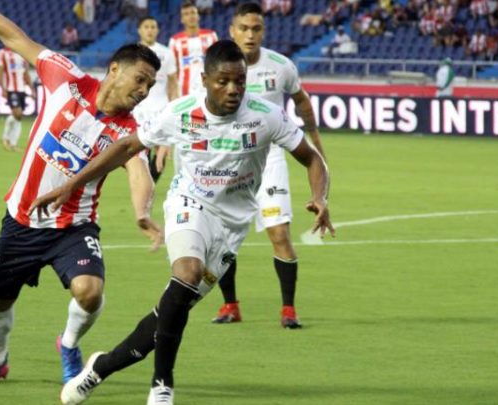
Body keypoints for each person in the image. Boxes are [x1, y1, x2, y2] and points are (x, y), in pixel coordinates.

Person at [32, 40, 333, 405]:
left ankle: (100, 367)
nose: (233, 89)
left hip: (231, 227)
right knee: (187, 274)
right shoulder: (180, 112)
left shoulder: (266, 116)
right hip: (189, 205)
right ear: (205, 80)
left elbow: (312, 159)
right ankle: (162, 385)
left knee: (170, 312)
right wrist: (73, 184)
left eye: (240, 81)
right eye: (223, 81)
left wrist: (320, 197)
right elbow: (127, 147)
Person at [0, 0, 163, 387]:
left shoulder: (129, 130)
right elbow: (13, 36)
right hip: (22, 219)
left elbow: (139, 172)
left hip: (73, 227)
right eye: (141, 80)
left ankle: (69, 343)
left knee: (89, 292)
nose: (144, 91)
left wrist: (142, 211)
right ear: (115, 69)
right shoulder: (66, 79)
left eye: (150, 86)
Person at [209, 1, 326, 328]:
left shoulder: (281, 66)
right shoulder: (218, 66)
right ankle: (230, 306)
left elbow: (301, 100)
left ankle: (289, 311)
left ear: (264, 31)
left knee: (279, 233)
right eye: (243, 28)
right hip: (230, 158)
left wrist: (316, 140)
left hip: (270, 157)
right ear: (232, 31)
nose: (250, 35)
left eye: (256, 28)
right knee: (223, 238)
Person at [134, 16, 178, 182]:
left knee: (162, 152)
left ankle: (151, 183)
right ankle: (145, 185)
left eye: (153, 27)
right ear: (139, 30)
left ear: (157, 30)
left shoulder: (166, 53)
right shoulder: (133, 52)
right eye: (146, 27)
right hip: (139, 109)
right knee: (141, 151)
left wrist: (174, 105)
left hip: (161, 108)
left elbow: (173, 83)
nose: (150, 30)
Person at [169, 1, 218, 97]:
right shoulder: (175, 40)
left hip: (207, 89)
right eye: (186, 14)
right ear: (182, 19)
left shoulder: (211, 36)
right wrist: (173, 94)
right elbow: (173, 70)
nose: (190, 16)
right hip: (184, 92)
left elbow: (217, 63)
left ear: (198, 16)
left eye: (193, 13)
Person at [0, 47, 35, 151]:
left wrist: (32, 90)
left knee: (18, 116)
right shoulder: (3, 53)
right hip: (11, 89)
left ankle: (12, 143)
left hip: (22, 89)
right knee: (18, 113)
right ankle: (6, 138)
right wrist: (3, 88)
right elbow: (0, 71)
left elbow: (26, 74)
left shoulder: (23, 54)